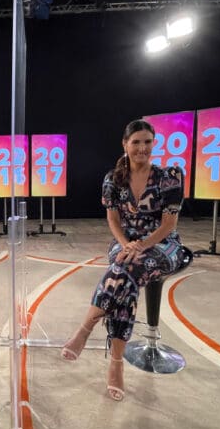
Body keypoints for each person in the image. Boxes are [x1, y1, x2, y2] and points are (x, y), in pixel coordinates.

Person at [60, 119, 186, 401]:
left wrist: (141, 245)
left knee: (123, 270)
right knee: (124, 277)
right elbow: (113, 219)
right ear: (125, 145)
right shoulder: (112, 179)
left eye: (148, 142)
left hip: (162, 245)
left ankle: (85, 329)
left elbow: (168, 225)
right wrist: (126, 243)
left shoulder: (170, 177)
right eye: (136, 142)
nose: (143, 148)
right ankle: (115, 364)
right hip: (125, 243)